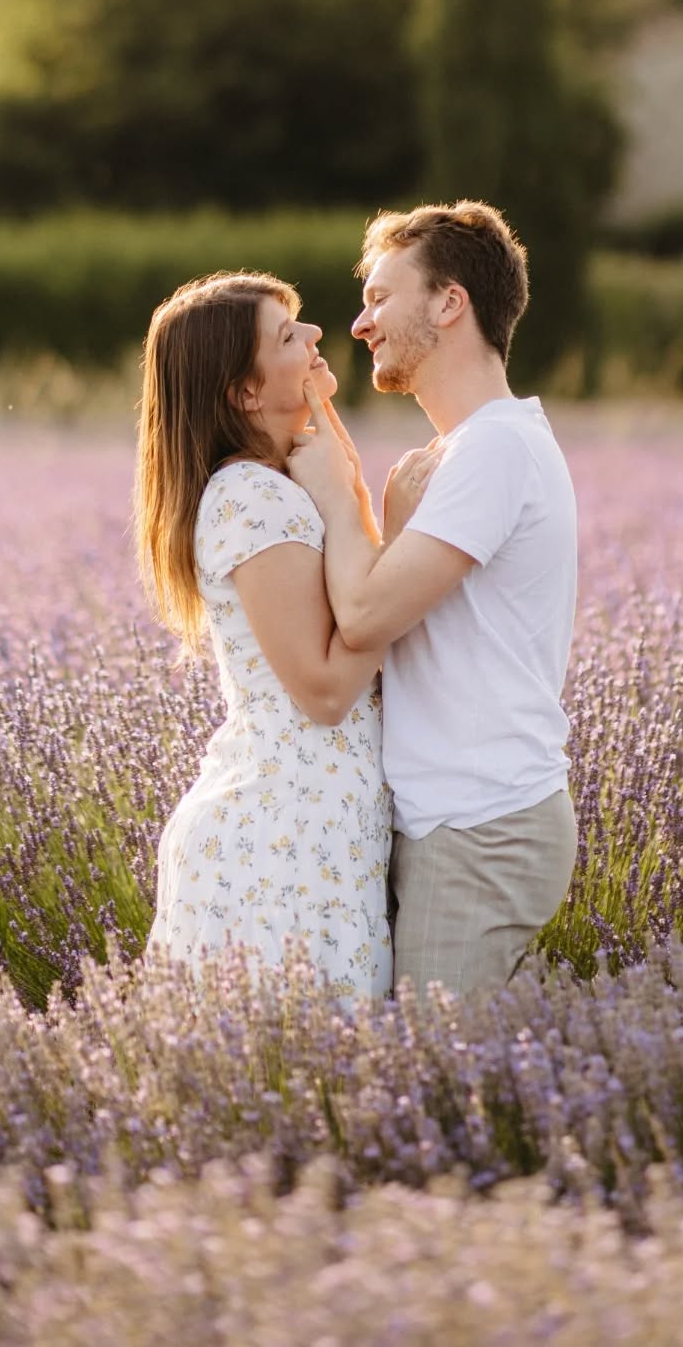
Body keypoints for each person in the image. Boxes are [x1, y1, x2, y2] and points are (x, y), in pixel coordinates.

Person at [288, 201, 579, 997]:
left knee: (435, 1065)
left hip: (480, 827)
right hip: (460, 820)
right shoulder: (470, 449)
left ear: (450, 303)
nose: (359, 324)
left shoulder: (493, 449)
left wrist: (339, 492)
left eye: (381, 298)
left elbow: (366, 617)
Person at [134, 271, 394, 1003]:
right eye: (287, 335)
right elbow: (326, 691)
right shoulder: (253, 497)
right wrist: (406, 576)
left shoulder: (280, 486)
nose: (315, 335)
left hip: (307, 834)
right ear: (245, 392)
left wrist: (343, 487)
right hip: (282, 846)